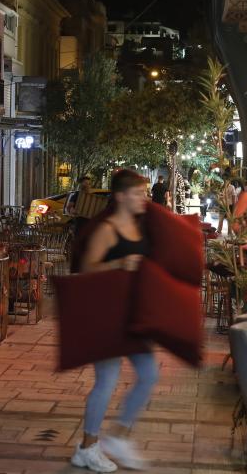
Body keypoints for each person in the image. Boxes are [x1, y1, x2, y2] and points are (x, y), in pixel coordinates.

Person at [71, 169, 158, 473]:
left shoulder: (138, 225)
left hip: (133, 316)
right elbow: (87, 269)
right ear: (121, 196)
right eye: (138, 193)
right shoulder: (108, 229)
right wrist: (119, 262)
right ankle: (87, 447)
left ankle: (118, 437)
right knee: (106, 382)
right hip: (108, 315)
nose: (143, 198)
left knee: (148, 374)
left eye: (144, 193)